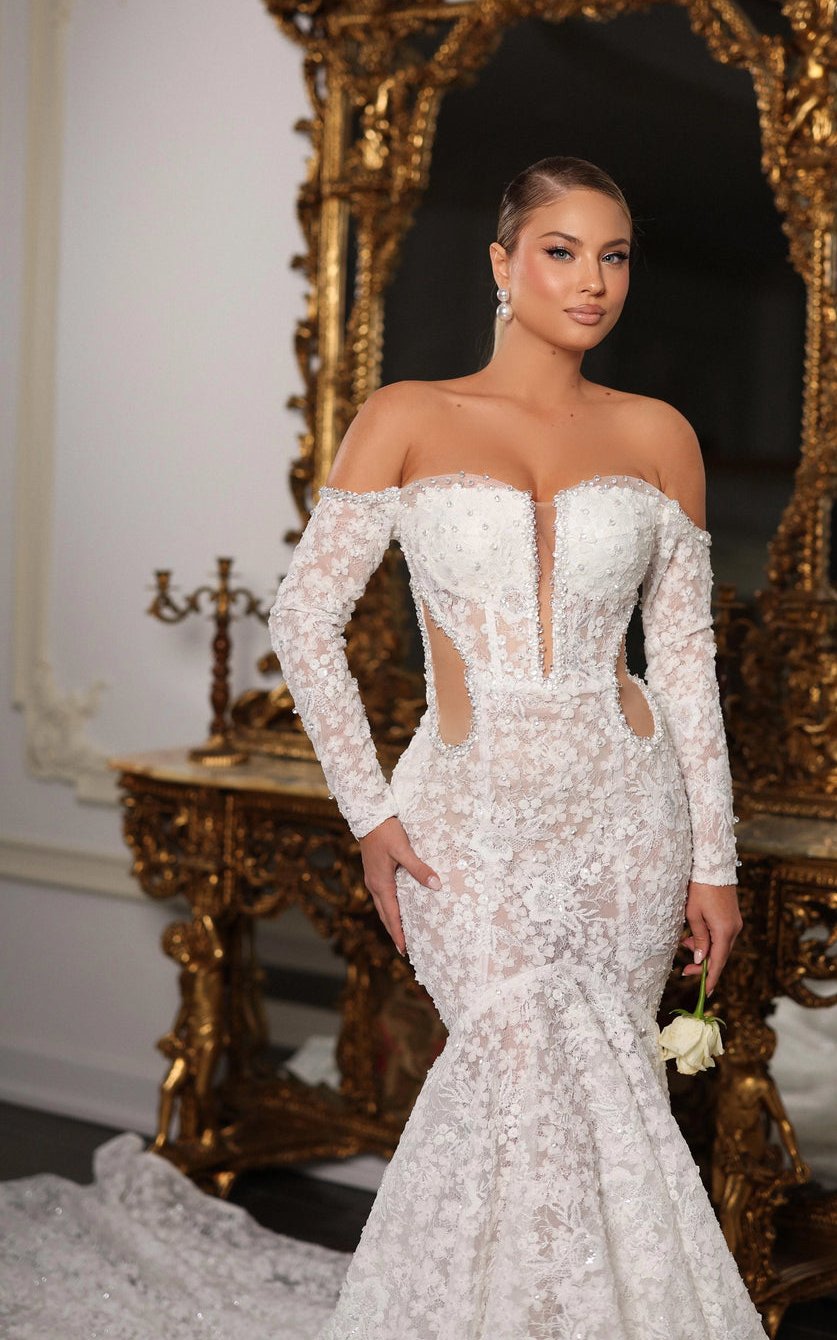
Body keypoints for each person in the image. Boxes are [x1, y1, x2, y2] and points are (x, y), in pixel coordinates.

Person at [268, 156, 768, 1340]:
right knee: (509, 1091)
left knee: (605, 1107)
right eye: (562, 249)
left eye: (615, 255)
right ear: (502, 262)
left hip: (623, 825)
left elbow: (686, 663)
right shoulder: (405, 414)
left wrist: (715, 864)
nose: (592, 280)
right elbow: (302, 619)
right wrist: (369, 816)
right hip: (467, 823)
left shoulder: (660, 434)